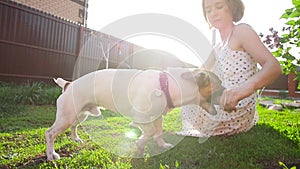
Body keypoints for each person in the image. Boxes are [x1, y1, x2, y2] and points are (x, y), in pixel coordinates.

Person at [177, 0, 282, 137]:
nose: (213, 13)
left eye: (219, 6)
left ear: (232, 7)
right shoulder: (217, 48)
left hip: (238, 105)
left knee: (194, 101)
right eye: (208, 10)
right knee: (189, 99)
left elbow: (273, 67)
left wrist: (243, 90)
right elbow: (199, 73)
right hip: (220, 101)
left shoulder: (241, 31)